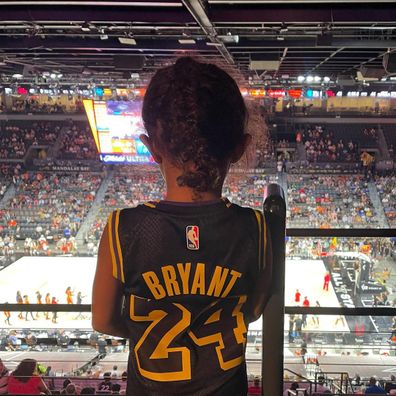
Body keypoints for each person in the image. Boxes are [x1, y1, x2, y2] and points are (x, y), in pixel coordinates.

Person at [92, 57, 273, 396]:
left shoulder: (123, 229)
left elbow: (103, 320)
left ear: (150, 149)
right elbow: (254, 310)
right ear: (240, 149)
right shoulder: (256, 228)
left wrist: (151, 333)